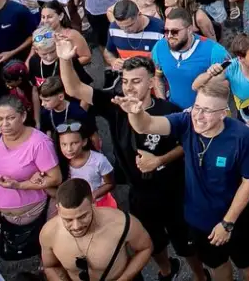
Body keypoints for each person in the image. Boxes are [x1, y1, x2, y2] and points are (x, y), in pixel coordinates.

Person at [57, 44, 201, 281]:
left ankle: (199, 276)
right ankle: (167, 271)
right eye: (125, 81)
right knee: (152, 242)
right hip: (139, 193)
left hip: (174, 192)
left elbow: (188, 144)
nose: (129, 87)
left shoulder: (169, 110)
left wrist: (160, 160)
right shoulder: (115, 105)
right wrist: (64, 59)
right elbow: (74, 88)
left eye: (136, 81)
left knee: (186, 243)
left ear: (151, 82)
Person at [113, 78, 249, 281]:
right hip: (199, 218)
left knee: (247, 263)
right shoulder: (185, 122)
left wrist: (227, 223)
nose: (198, 116)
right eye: (197, 107)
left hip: (237, 219)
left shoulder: (244, 138)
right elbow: (145, 125)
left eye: (207, 111)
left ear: (223, 113)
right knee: (216, 264)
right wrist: (135, 113)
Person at [0, 95, 61, 258]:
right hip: (5, 215)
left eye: (10, 118)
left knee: (48, 250)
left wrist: (20, 185)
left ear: (23, 116)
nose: (4, 124)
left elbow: (55, 178)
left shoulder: (39, 143)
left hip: (37, 212)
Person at [40, 178, 152, 281]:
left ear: (93, 203)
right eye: (68, 219)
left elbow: (145, 248)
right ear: (58, 209)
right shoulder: (49, 233)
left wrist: (125, 278)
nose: (76, 226)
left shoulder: (122, 223)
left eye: (83, 216)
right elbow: (50, 266)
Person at [151, 7, 228, 109]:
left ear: (189, 30)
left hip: (205, 113)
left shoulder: (215, 51)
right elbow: (157, 77)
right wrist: (164, 105)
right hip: (174, 112)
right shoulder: (159, 48)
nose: (169, 36)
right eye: (165, 31)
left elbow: (226, 87)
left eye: (174, 32)